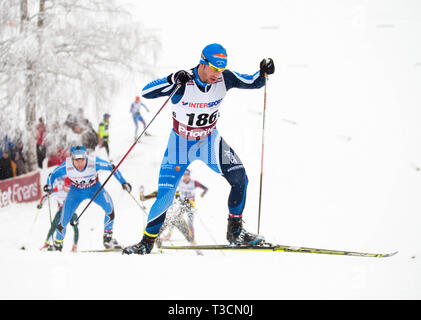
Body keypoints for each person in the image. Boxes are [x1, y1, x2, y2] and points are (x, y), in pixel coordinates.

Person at [123, 43, 275, 255]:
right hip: (180, 144)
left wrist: (264, 72)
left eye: (220, 69)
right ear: (203, 63)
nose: (217, 74)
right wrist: (172, 79)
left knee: (240, 179)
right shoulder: (184, 82)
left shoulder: (225, 78)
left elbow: (254, 82)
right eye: (213, 68)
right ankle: (146, 242)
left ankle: (236, 233)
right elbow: (147, 92)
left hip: (209, 141)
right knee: (165, 196)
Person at [43, 145, 132, 251]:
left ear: (86, 158)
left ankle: (108, 239)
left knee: (110, 208)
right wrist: (49, 185)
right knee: (64, 218)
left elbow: (111, 167)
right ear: (72, 160)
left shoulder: (94, 162)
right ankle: (58, 245)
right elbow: (51, 175)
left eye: (82, 160)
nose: (80, 163)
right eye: (77, 161)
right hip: (75, 192)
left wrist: (123, 182)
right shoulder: (67, 166)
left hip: (94, 189)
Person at [38, 176, 79, 252]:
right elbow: (47, 195)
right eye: (66, 187)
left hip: (71, 211)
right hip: (61, 210)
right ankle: (47, 243)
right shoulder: (59, 189)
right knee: (54, 225)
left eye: (69, 187)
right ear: (64, 185)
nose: (67, 189)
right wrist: (40, 204)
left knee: (75, 226)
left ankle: (74, 246)